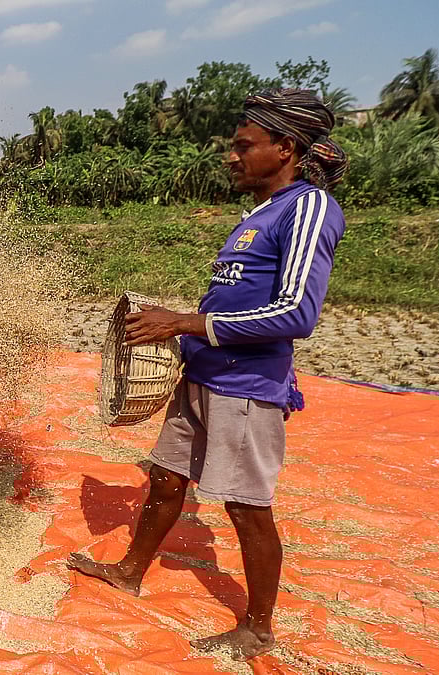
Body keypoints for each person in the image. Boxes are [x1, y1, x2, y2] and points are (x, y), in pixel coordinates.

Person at [66, 89, 349, 661]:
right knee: (167, 478)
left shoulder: (308, 207)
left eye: (244, 146)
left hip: (244, 389)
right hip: (204, 376)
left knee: (245, 506)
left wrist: (186, 321)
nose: (231, 156)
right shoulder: (259, 217)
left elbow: (298, 314)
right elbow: (235, 298)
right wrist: (180, 329)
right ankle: (129, 570)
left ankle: (259, 627)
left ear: (285, 147)